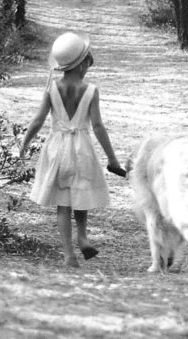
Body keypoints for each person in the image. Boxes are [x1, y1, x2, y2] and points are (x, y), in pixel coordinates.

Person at [20, 32, 126, 267]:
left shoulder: (52, 89)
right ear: (83, 63)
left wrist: (24, 144)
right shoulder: (90, 90)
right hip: (82, 150)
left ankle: (69, 255)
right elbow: (97, 126)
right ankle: (83, 236)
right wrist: (112, 159)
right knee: (82, 195)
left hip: (57, 151)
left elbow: (38, 120)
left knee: (64, 203)